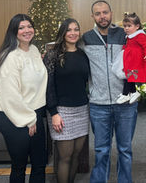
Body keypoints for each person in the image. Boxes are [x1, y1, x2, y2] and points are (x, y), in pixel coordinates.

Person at [81, 0, 138, 183]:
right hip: (99, 105)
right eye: (98, 13)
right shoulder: (86, 38)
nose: (102, 16)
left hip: (126, 104)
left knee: (125, 150)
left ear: (111, 13)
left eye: (105, 12)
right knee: (101, 150)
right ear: (93, 16)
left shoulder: (125, 35)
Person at [0, 14, 48, 183]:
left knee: (40, 163)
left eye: (29, 26)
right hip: (14, 115)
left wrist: (34, 117)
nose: (27, 30)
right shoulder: (10, 57)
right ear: (14, 32)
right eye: (21, 28)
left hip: (34, 112)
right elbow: (10, 95)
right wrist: (29, 119)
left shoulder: (34, 50)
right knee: (19, 165)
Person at [43, 18, 90, 183]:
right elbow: (47, 87)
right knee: (65, 156)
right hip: (61, 111)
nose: (73, 33)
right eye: (69, 30)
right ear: (63, 33)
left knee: (77, 154)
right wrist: (54, 112)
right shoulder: (52, 55)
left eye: (76, 29)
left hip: (82, 109)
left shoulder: (83, 54)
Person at [116, 12, 146, 104]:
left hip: (135, 60)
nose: (126, 28)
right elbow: (128, 46)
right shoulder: (129, 37)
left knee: (129, 76)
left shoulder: (140, 35)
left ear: (137, 26)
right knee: (128, 77)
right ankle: (132, 92)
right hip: (129, 59)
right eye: (125, 26)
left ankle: (127, 94)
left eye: (129, 26)